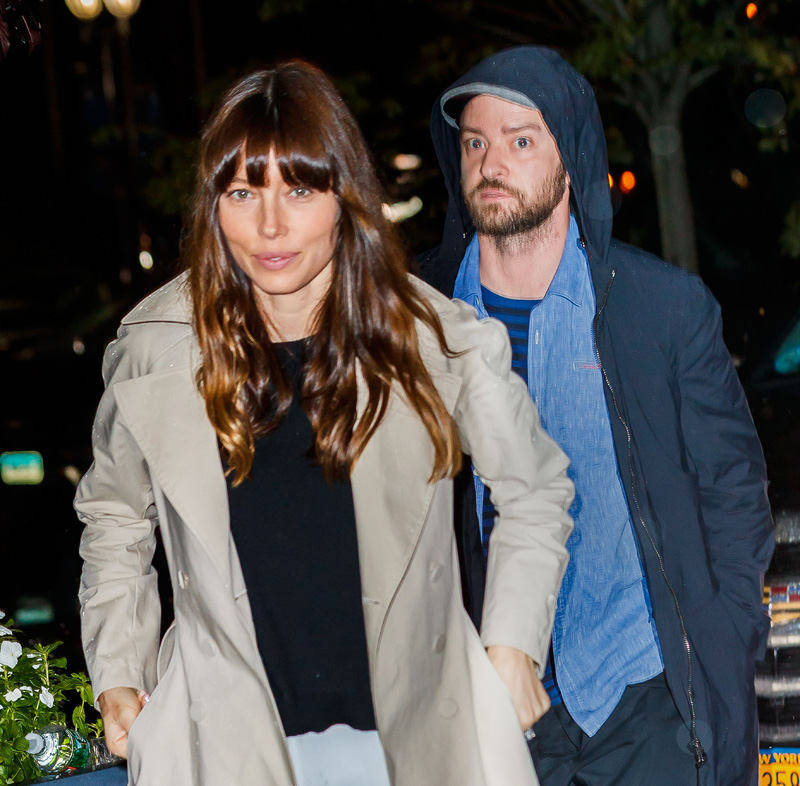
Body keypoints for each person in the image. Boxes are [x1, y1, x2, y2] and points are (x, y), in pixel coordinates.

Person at [75, 60, 575, 786]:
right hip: (225, 748)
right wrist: (118, 675)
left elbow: (535, 490)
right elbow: (115, 518)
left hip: (417, 742)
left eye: (300, 189)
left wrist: (512, 647)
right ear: (213, 205)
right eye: (243, 192)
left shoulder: (434, 340)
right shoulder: (156, 349)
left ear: (344, 196)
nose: (270, 225)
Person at [420, 46, 774, 786]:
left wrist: (722, 636)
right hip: (485, 707)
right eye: (475, 142)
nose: (492, 162)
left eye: (521, 141)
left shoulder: (660, 310)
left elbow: (733, 493)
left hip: (643, 698)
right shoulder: (413, 317)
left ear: (572, 157)